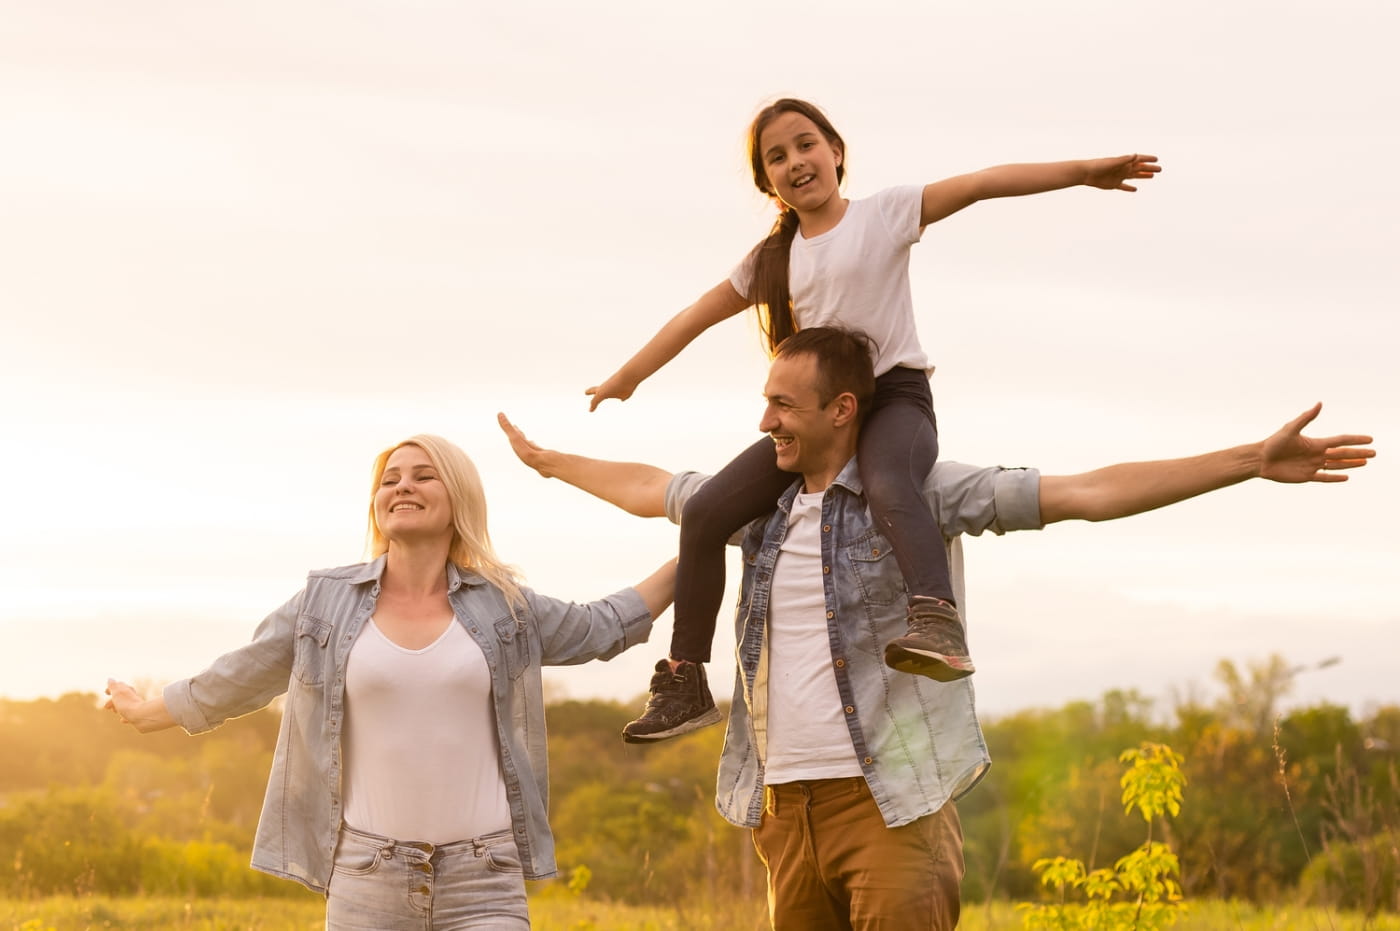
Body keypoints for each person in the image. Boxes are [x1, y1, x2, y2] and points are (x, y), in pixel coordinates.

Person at [501, 326, 1374, 931]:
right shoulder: (755, 508)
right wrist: (550, 464)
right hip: (782, 805)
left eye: (782, 403)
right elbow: (651, 486)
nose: (764, 420)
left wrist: (1248, 462)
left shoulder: (923, 494)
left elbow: (1084, 493)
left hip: (889, 804)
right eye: (762, 401)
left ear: (844, 408)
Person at [584, 96, 1163, 742]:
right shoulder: (771, 260)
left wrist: (1082, 171)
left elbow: (978, 186)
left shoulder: (884, 215)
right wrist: (627, 376)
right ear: (766, 182)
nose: (796, 161)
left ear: (835, 152)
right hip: (817, 417)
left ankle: (936, 619)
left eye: (806, 144)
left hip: (893, 400)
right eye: (776, 156)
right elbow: (695, 313)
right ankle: (686, 677)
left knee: (890, 483)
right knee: (705, 509)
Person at [105, 434, 676, 930]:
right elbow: (243, 672)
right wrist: (151, 711)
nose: (402, 487)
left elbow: (602, 626)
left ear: (458, 501)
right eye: (389, 480)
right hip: (366, 879)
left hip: (486, 878)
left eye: (424, 476)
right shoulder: (325, 602)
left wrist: (701, 541)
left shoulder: (506, 607)